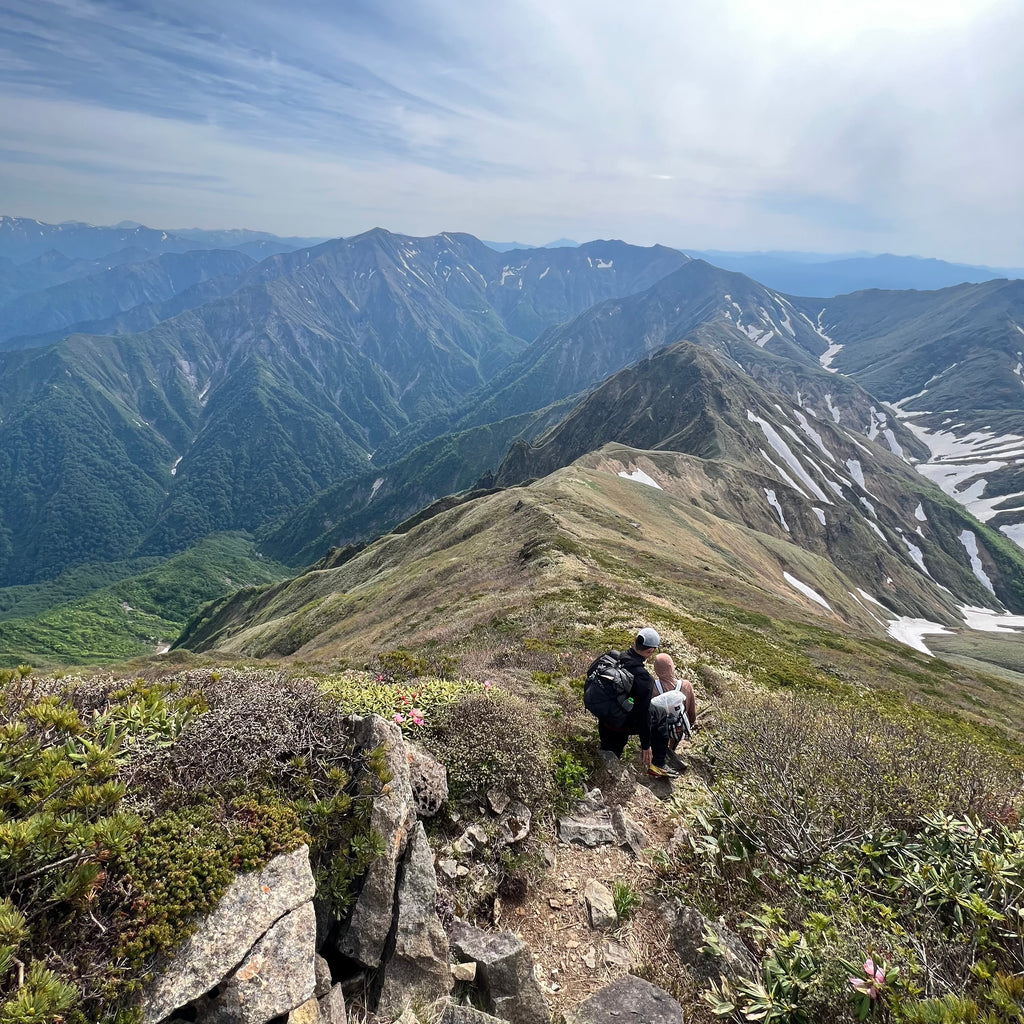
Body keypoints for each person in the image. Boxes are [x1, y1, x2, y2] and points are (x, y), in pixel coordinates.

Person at [588, 627, 677, 779]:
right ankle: (658, 765)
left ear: (635, 641)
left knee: (609, 752)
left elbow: (590, 673)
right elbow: (643, 715)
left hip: (604, 717)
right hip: (622, 724)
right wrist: (646, 745)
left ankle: (599, 773)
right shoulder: (644, 678)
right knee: (660, 714)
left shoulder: (611, 657)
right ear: (650, 651)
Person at [652, 652, 697, 731]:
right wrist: (691, 724)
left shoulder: (652, 687)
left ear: (656, 669)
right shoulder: (686, 685)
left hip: (659, 731)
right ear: (672, 667)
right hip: (680, 729)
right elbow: (691, 712)